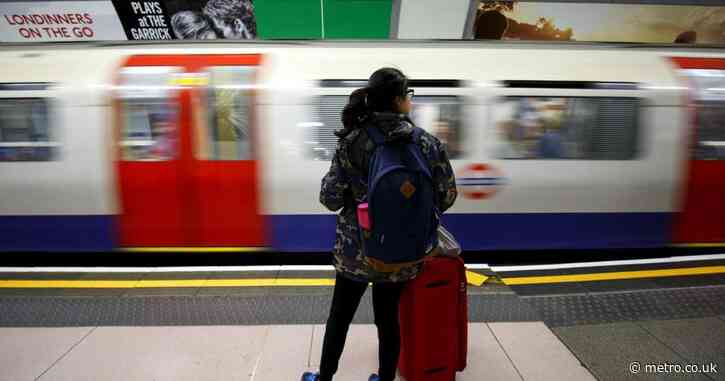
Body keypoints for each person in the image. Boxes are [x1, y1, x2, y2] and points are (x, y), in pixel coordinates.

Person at [302, 68, 457, 381]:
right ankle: (384, 378)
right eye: (408, 96)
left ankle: (324, 377)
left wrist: (356, 193)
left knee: (339, 317)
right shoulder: (426, 143)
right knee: (388, 321)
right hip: (403, 252)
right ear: (399, 100)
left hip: (355, 253)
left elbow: (329, 198)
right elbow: (448, 195)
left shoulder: (353, 141)